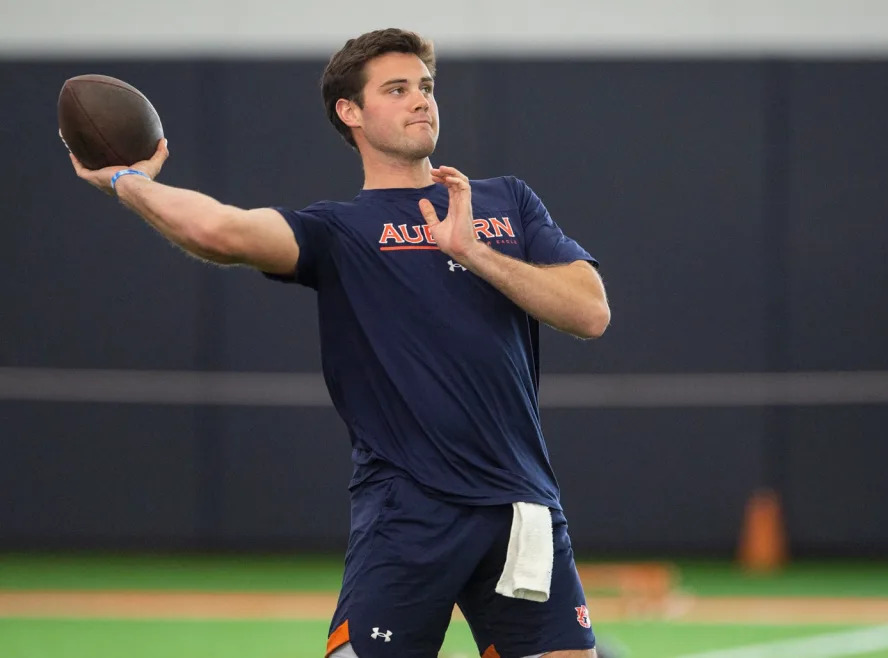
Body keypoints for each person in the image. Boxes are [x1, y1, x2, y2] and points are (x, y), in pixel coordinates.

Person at [68, 28, 609, 658]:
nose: (421, 101)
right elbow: (219, 230)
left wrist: (474, 254)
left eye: (426, 87)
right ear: (350, 113)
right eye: (397, 89)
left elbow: (591, 312)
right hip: (411, 513)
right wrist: (125, 180)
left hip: (523, 510)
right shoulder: (340, 230)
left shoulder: (504, 202)